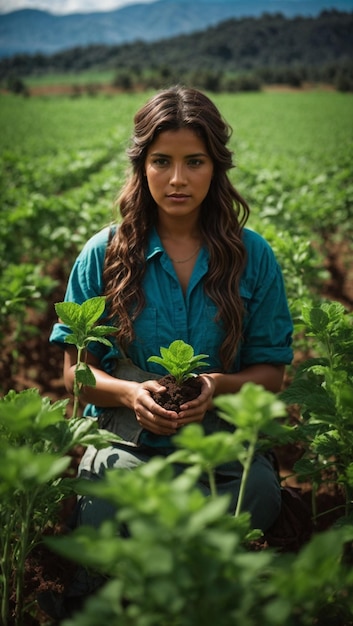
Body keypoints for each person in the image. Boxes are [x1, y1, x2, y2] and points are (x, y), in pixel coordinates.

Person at [50, 85, 293, 540]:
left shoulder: (252, 255)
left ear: (215, 167)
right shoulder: (103, 254)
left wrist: (214, 386)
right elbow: (76, 375)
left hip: (221, 445)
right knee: (109, 515)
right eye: (161, 161)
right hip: (127, 444)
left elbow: (271, 374)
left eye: (194, 162)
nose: (177, 179)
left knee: (253, 498)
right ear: (142, 166)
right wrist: (129, 395)